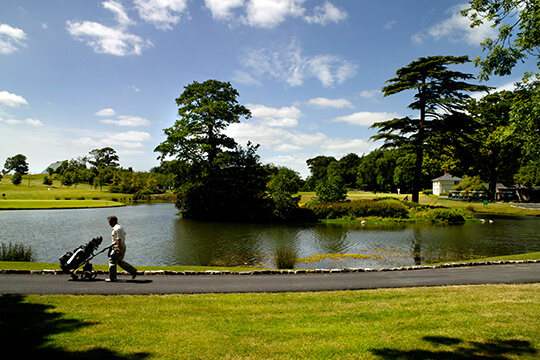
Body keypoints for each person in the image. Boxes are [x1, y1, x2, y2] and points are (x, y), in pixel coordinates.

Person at [106, 216, 137, 282]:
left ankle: (112, 278)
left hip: (118, 246)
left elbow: (118, 239)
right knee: (119, 261)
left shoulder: (117, 229)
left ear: (114, 221)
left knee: (112, 261)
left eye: (110, 222)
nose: (109, 223)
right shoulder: (120, 227)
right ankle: (132, 270)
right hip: (121, 246)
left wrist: (117, 248)